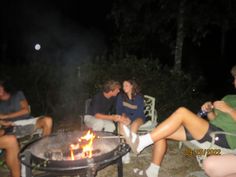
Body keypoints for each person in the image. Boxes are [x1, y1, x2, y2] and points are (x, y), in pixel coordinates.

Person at [121, 65, 236, 177]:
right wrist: (209, 111)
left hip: (225, 137)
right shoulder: (228, 98)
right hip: (209, 130)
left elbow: (228, 118)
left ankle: (141, 142)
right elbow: (215, 120)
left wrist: (230, 110)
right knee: (160, 131)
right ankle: (152, 171)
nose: (234, 81)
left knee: (182, 112)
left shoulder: (229, 105)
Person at [116, 80, 145, 163]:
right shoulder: (121, 97)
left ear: (132, 86)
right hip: (126, 117)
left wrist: (130, 120)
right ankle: (126, 152)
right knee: (121, 124)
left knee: (134, 125)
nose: (124, 87)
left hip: (139, 117)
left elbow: (139, 112)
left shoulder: (139, 97)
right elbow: (119, 110)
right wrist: (124, 117)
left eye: (126, 85)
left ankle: (131, 148)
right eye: (123, 85)